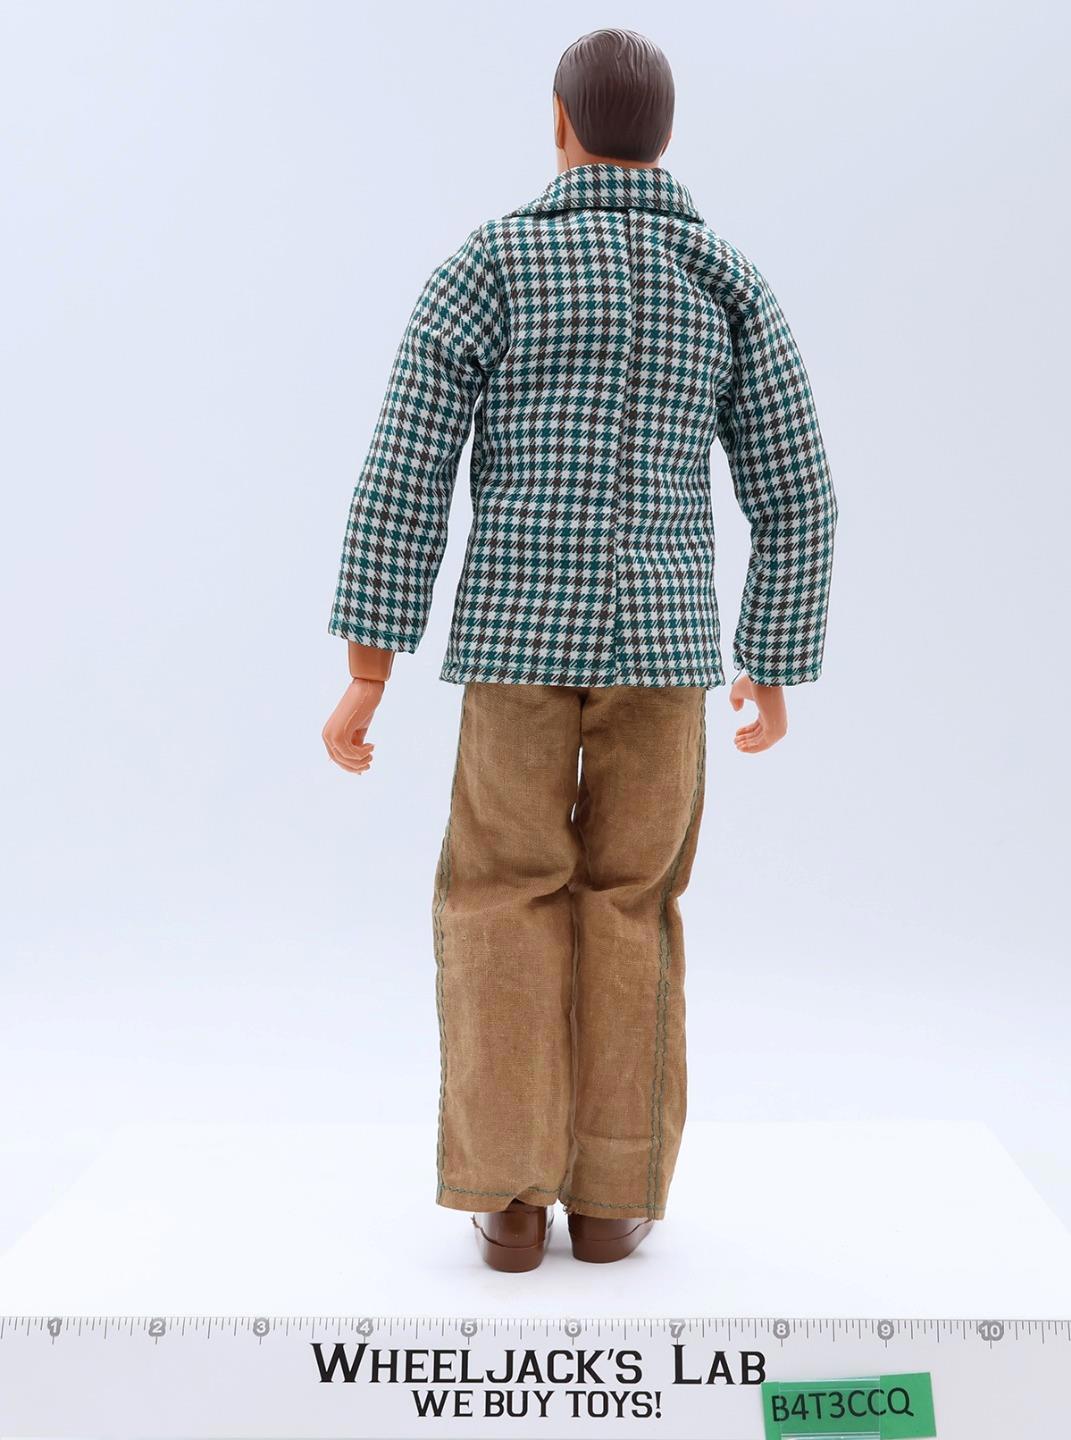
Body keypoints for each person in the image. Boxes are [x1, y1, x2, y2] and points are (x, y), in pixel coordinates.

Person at [322, 28, 837, 1270]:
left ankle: (509, 1197)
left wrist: (370, 665)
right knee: (633, 905)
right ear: (667, 136)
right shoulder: (726, 282)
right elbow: (797, 490)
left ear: (558, 124)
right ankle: (612, 1200)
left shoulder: (490, 266)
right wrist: (769, 658)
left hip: (514, 646)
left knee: (502, 895)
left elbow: (406, 470)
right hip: (665, 657)